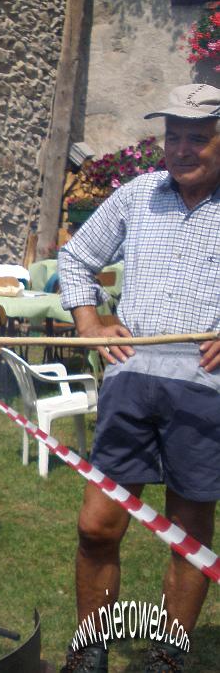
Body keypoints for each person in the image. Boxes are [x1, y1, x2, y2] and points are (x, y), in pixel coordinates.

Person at [57, 83, 220, 673]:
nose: (181, 149)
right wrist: (89, 322)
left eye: (197, 139)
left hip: (204, 391)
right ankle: (90, 649)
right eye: (173, 136)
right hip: (131, 380)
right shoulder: (137, 196)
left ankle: (167, 658)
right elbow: (77, 259)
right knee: (97, 525)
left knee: (187, 534)